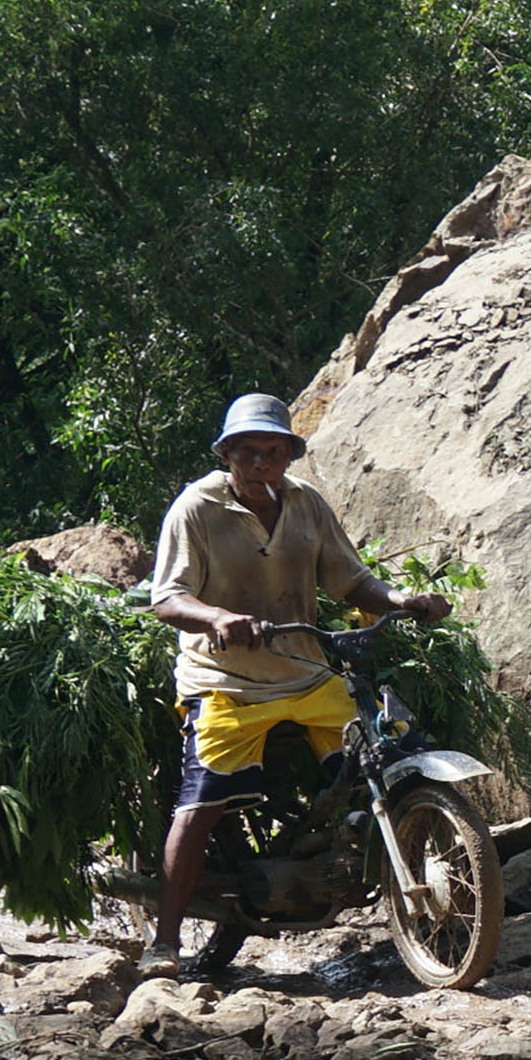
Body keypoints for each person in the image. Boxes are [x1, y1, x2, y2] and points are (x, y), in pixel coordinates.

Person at [144, 394, 448, 973]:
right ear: (228, 453)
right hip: (226, 680)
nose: (262, 461)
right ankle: (164, 940)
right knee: (201, 805)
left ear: (289, 454)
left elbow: (351, 581)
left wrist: (402, 599)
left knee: (382, 759)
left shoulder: (305, 503)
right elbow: (168, 597)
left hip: (306, 672)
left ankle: (369, 871)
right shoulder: (196, 508)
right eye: (249, 451)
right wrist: (218, 619)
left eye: (274, 450)